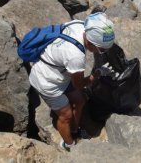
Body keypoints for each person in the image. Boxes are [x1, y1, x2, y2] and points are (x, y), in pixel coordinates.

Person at [29, 12, 116, 151]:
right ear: (90, 42)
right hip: (47, 82)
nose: (102, 52)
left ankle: (75, 129)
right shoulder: (75, 56)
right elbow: (80, 84)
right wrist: (98, 74)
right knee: (66, 116)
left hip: (60, 73)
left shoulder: (81, 25)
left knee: (80, 100)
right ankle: (69, 144)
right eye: (101, 49)